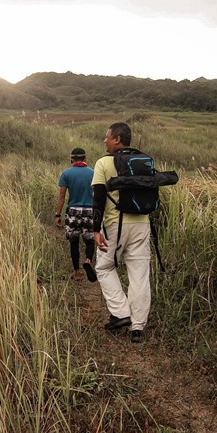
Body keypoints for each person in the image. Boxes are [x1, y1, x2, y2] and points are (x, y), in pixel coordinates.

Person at [92, 122, 151, 343]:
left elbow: (98, 197)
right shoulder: (143, 161)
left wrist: (95, 229)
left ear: (117, 139)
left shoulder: (103, 163)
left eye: (107, 137)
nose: (104, 141)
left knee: (104, 266)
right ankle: (138, 327)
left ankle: (121, 312)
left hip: (115, 224)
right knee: (139, 275)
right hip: (142, 223)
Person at [55, 147, 97, 282]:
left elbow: (62, 196)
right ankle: (88, 260)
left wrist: (58, 214)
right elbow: (98, 195)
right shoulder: (93, 173)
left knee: (74, 242)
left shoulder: (66, 173)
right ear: (85, 159)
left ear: (71, 159)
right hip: (90, 210)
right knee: (90, 240)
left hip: (73, 211)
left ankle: (76, 272)